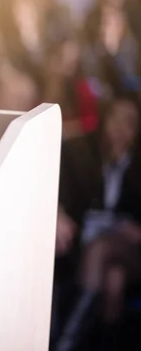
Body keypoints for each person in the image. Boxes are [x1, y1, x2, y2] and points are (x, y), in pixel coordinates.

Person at [55, 94, 141, 351]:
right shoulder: (85, 153)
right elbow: (64, 193)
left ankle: (65, 342)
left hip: (132, 250)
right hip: (90, 246)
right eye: (114, 118)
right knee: (113, 281)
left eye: (129, 122)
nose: (119, 128)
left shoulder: (137, 166)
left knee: (100, 250)